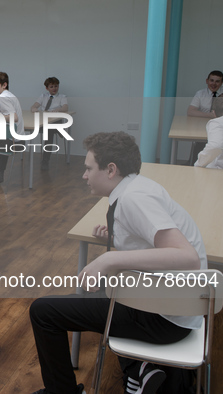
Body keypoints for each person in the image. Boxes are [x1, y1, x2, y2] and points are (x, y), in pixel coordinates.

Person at [29, 131, 206, 394]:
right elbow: (150, 241)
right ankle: (141, 370)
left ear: (111, 169)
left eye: (89, 168)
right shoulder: (138, 187)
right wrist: (116, 237)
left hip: (166, 318)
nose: (84, 175)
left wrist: (110, 258)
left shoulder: (134, 199)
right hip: (178, 307)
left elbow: (187, 257)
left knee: (43, 312)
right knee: (105, 293)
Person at [0, 72, 23, 184]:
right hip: (19, 141)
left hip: (11, 142)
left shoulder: (2, 98)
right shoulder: (9, 95)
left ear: (4, 85)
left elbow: (14, 117)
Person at [31, 77, 68, 170]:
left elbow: (65, 108)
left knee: (49, 133)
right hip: (44, 121)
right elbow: (34, 106)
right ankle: (59, 130)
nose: (54, 88)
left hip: (55, 121)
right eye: (51, 87)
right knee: (39, 128)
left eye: (56, 86)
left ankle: (45, 160)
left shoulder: (62, 97)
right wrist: (34, 108)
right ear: (47, 88)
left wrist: (58, 109)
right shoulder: (43, 96)